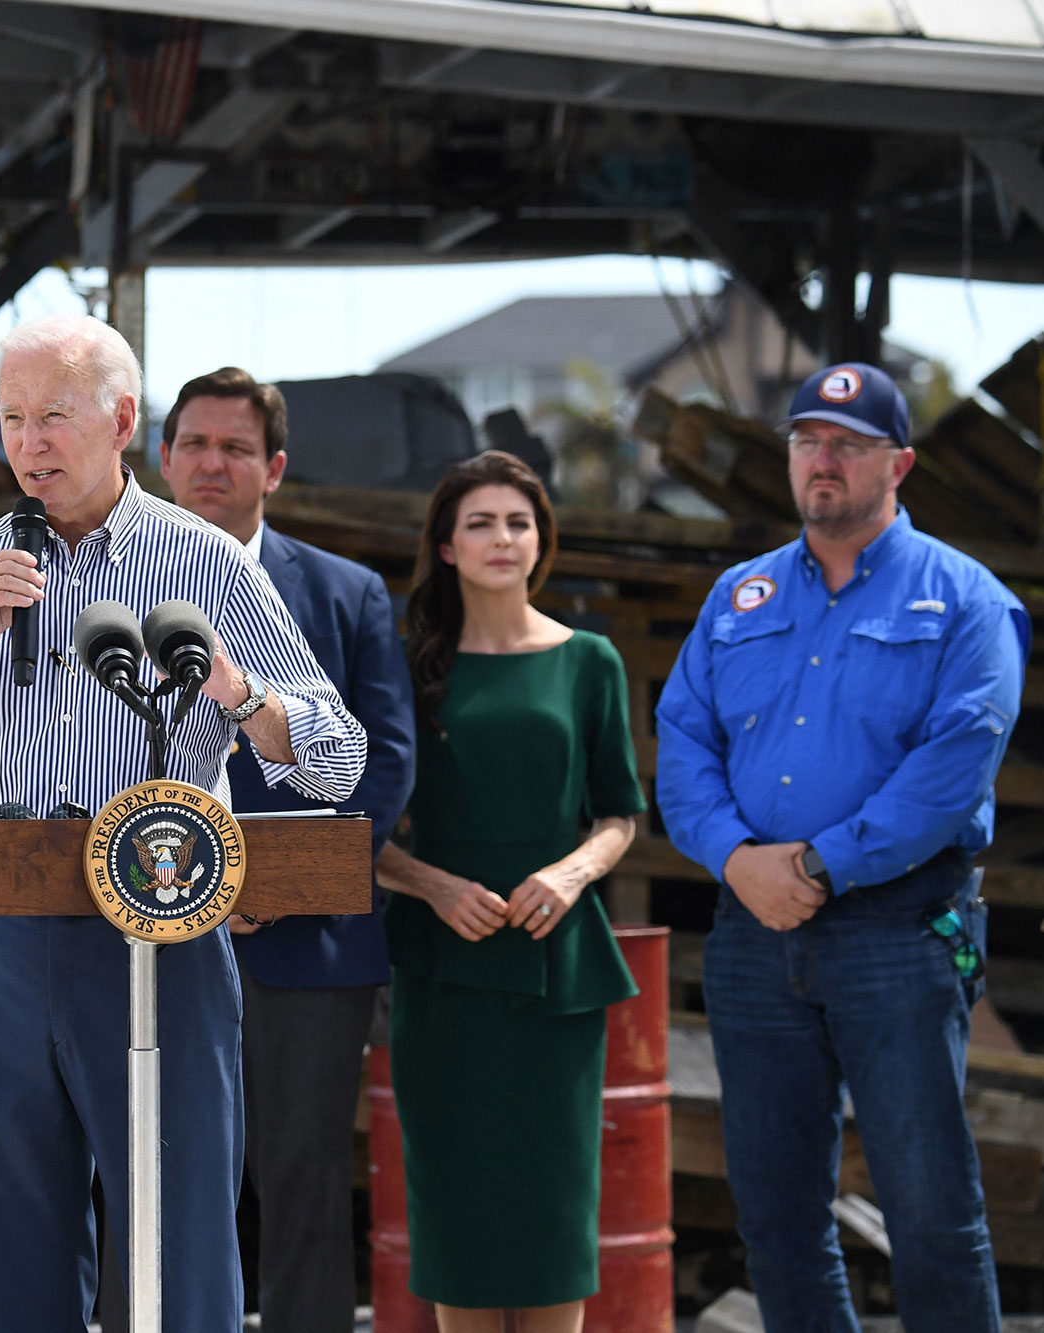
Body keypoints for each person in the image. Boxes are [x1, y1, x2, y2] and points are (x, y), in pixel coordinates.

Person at [0, 313, 368, 1333]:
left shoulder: (206, 563)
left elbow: (336, 758)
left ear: (121, 419)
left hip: (161, 926)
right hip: (6, 930)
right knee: (13, 1236)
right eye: (10, 418)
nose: (29, 442)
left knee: (179, 1231)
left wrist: (239, 696)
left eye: (53, 414)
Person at [656, 362, 1027, 1331]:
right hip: (751, 934)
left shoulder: (964, 600)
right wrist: (736, 860)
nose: (821, 461)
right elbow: (683, 739)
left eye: (848, 445)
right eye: (805, 442)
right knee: (775, 1214)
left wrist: (818, 866)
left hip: (894, 933)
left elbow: (952, 769)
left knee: (929, 1211)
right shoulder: (736, 597)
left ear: (896, 464)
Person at [159, 367, 414, 1333]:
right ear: (167, 458)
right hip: (152, 933)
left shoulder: (343, 593)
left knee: (302, 1183)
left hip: (306, 941)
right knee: (160, 1172)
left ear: (273, 468)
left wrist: (279, 883)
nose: (211, 463)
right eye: (194, 444)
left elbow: (382, 760)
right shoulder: (103, 586)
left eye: (233, 447)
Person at [376, 451, 644, 1331]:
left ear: (541, 541)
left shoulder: (591, 660)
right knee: (457, 1202)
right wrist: (433, 884)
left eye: (518, 522)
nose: (503, 538)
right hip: (443, 972)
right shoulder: (407, 667)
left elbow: (618, 817)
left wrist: (570, 873)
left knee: (552, 1203)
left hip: (555, 971)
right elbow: (362, 831)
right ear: (446, 547)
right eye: (481, 522)